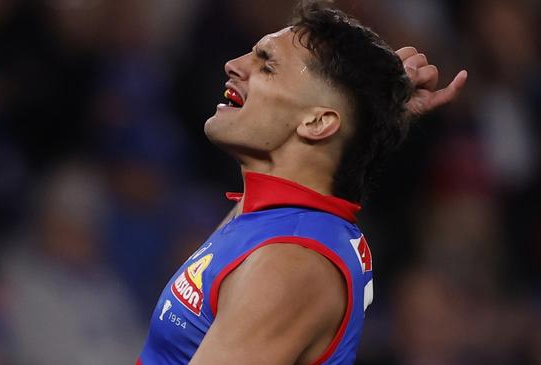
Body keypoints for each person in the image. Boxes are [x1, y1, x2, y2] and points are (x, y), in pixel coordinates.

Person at [137, 1, 467, 364]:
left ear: (317, 123)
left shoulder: (290, 264)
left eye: (267, 65)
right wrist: (374, 108)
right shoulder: (275, 217)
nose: (234, 65)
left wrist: (362, 109)